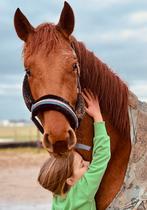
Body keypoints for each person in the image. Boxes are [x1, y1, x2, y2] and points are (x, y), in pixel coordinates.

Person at [38, 89, 111, 210]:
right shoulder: (82, 191)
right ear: (70, 180)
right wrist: (97, 116)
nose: (88, 163)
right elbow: (102, 156)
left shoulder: (57, 199)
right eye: (82, 165)